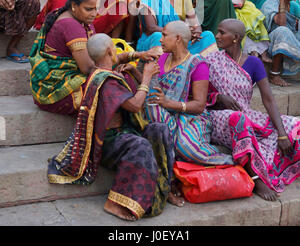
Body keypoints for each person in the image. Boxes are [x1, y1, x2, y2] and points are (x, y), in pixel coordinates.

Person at [47, 32, 180, 221]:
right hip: (108, 141)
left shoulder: (102, 71)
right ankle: (116, 202)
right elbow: (134, 106)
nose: (117, 51)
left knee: (160, 130)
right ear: (110, 51)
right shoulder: (106, 80)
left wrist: (136, 64)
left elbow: (126, 76)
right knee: (139, 145)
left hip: (125, 132)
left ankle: (165, 188)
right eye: (114, 47)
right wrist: (146, 78)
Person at [205, 18, 300, 201]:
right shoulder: (211, 60)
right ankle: (256, 179)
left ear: (235, 37)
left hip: (246, 114)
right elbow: (198, 94)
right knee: (239, 119)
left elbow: (268, 99)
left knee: (295, 125)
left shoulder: (253, 63)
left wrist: (281, 133)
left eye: (222, 32)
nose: (217, 36)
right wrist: (218, 97)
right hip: (218, 117)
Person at [145, 21, 233, 166]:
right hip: (164, 114)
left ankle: (224, 159)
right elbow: (155, 91)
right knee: (151, 102)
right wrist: (133, 70)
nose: (160, 39)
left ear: (178, 38)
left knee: (186, 147)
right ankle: (172, 139)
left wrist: (168, 103)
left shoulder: (198, 64)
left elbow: (199, 106)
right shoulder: (162, 58)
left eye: (165, 35)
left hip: (190, 117)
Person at [30, 0, 99, 114]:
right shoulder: (71, 25)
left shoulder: (65, 14)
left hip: (50, 85)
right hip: (57, 90)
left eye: (96, 9)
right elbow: (88, 68)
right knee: (112, 87)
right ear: (74, 5)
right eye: (89, 9)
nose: (94, 14)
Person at [261, 0, 300, 87]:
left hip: (290, 38)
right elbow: (281, 23)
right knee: (283, 31)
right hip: (271, 43)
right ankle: (274, 75)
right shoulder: (269, 4)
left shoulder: (293, 5)